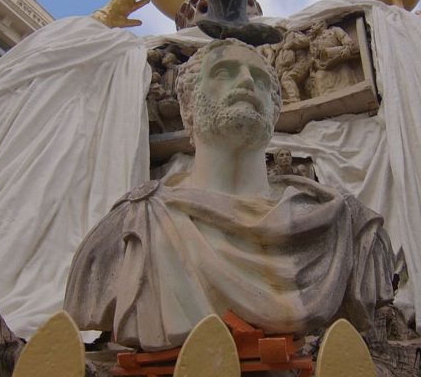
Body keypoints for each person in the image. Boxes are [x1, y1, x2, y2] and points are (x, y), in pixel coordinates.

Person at [64, 39, 395, 350]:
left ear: (274, 111)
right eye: (225, 74)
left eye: (262, 80)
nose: (248, 84)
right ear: (189, 107)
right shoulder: (128, 230)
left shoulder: (349, 228)